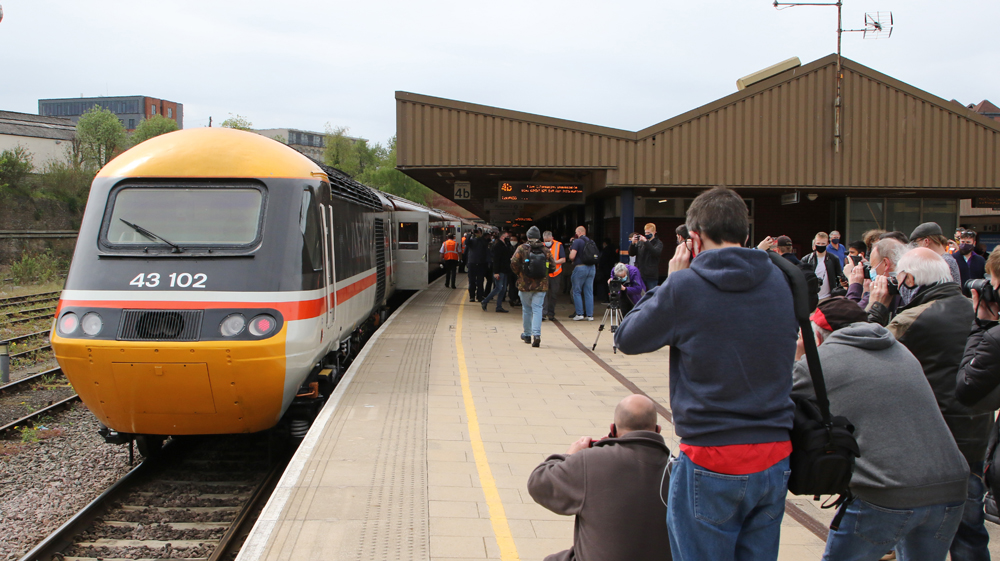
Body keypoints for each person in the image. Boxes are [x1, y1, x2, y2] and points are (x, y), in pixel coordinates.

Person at [615, 187, 797, 561]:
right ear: (745, 235)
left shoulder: (685, 286)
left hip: (713, 454)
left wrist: (668, 282)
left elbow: (627, 338)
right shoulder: (780, 280)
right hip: (775, 453)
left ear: (693, 238)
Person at [791, 297, 969, 560]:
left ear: (817, 336)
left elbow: (775, 394)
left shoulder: (821, 361)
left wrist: (799, 354)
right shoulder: (899, 349)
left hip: (886, 489)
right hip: (950, 484)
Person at [878, 247, 987, 560]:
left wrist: (875, 307)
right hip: (974, 430)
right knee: (969, 528)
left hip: (927, 436)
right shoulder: (975, 309)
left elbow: (869, 352)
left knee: (916, 529)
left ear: (911, 279)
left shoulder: (914, 317)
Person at [527, 394, 672, 561]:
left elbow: (538, 483)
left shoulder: (591, 460)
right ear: (658, 429)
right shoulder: (678, 471)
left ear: (613, 429)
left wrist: (569, 456)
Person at [510, 226, 553, 348]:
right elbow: (553, 267)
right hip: (541, 285)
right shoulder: (545, 249)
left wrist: (520, 273)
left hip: (525, 284)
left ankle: (527, 334)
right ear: (539, 237)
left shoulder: (522, 248)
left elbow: (513, 262)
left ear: (528, 237)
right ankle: (537, 335)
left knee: (527, 309)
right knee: (537, 309)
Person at [801, 232, 844, 300]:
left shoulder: (833, 259)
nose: (820, 245)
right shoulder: (807, 259)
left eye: (823, 244)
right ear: (814, 243)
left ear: (827, 244)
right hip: (811, 297)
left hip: (828, 297)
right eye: (818, 243)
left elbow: (839, 276)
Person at [569, 225, 596, 321]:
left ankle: (579, 313)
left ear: (579, 232)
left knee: (577, 291)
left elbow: (572, 256)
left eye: (576, 233)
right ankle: (590, 315)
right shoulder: (591, 241)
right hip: (592, 268)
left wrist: (570, 250)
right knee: (589, 291)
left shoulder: (577, 241)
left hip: (580, 268)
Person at [482, 231, 512, 313]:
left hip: (505, 270)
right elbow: (496, 260)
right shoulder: (498, 246)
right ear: (502, 237)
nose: (508, 237)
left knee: (503, 289)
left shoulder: (505, 245)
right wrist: (496, 272)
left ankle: (499, 306)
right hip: (499, 271)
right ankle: (485, 301)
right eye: (506, 236)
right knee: (499, 287)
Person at [629, 223, 664, 289]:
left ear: (654, 232)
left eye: (649, 232)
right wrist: (633, 244)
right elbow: (632, 253)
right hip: (640, 273)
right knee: (640, 294)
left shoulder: (658, 243)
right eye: (646, 232)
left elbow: (655, 253)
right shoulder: (641, 242)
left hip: (651, 274)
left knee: (652, 293)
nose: (647, 234)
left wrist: (646, 242)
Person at [543, 231, 566, 322]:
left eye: (548, 240)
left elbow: (563, 259)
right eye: (545, 240)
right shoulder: (541, 246)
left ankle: (551, 313)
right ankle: (543, 313)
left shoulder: (559, 245)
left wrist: (553, 262)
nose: (547, 242)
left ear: (552, 238)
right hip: (544, 274)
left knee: (553, 294)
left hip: (556, 273)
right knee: (544, 294)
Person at [957, 230, 987, 296]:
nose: (965, 244)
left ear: (974, 243)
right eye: (963, 242)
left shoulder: (980, 260)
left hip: (975, 295)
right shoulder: (953, 258)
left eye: (968, 242)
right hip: (958, 295)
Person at [465, 229, 490, 302]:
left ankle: (479, 296)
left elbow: (485, 243)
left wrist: (480, 236)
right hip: (472, 263)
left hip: (481, 263)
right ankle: (472, 296)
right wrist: (470, 234)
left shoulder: (483, 241)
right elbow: (466, 242)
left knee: (480, 281)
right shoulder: (471, 241)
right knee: (471, 281)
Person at [597, 237, 617, 304]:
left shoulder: (605, 251)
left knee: (606, 285)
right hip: (612, 269)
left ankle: (608, 299)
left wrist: (600, 268)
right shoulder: (613, 250)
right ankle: (612, 299)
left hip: (606, 270)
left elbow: (602, 261)